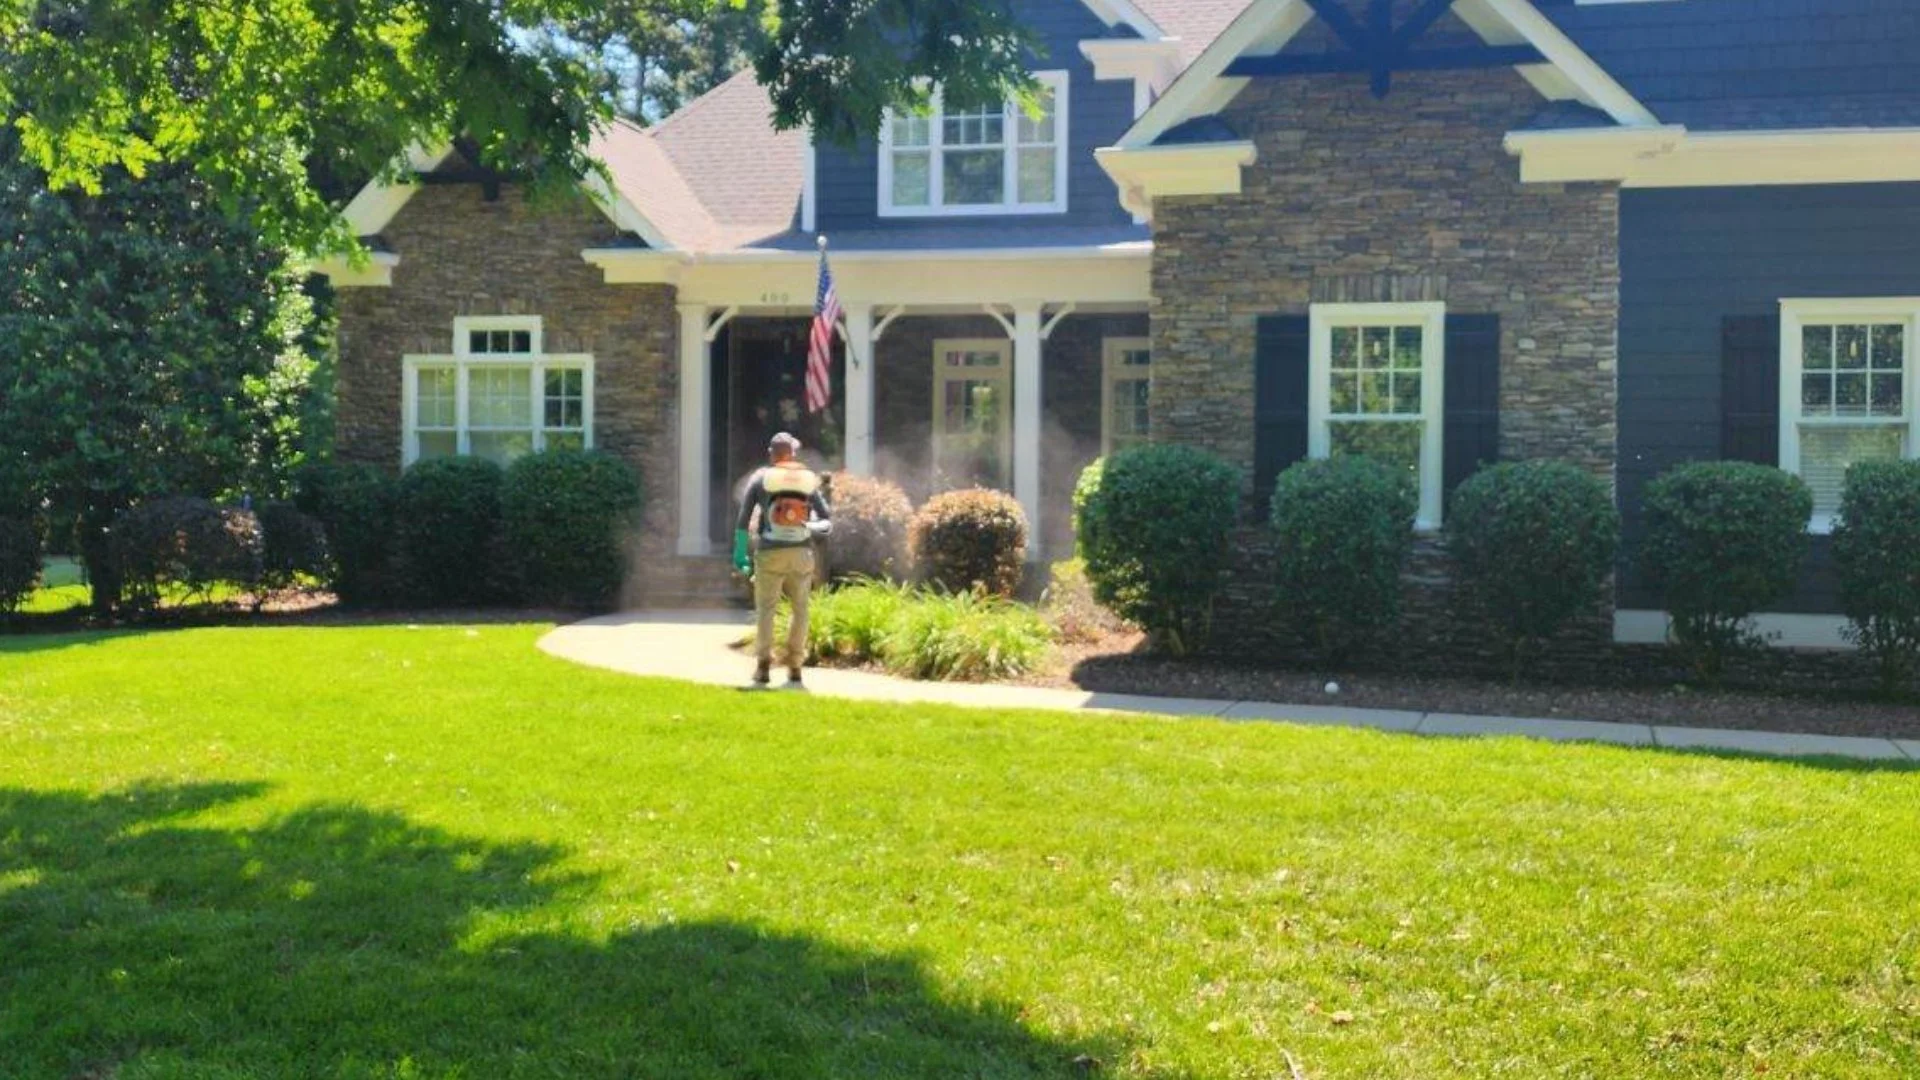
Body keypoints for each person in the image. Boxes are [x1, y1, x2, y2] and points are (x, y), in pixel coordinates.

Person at [733, 432, 832, 688]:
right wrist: (809, 525)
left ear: (770, 453)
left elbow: (744, 518)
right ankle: (795, 667)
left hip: (769, 553)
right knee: (800, 610)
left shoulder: (760, 478)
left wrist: (740, 553)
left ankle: (763, 666)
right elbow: (827, 521)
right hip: (801, 554)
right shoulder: (808, 480)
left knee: (767, 609)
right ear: (793, 454)